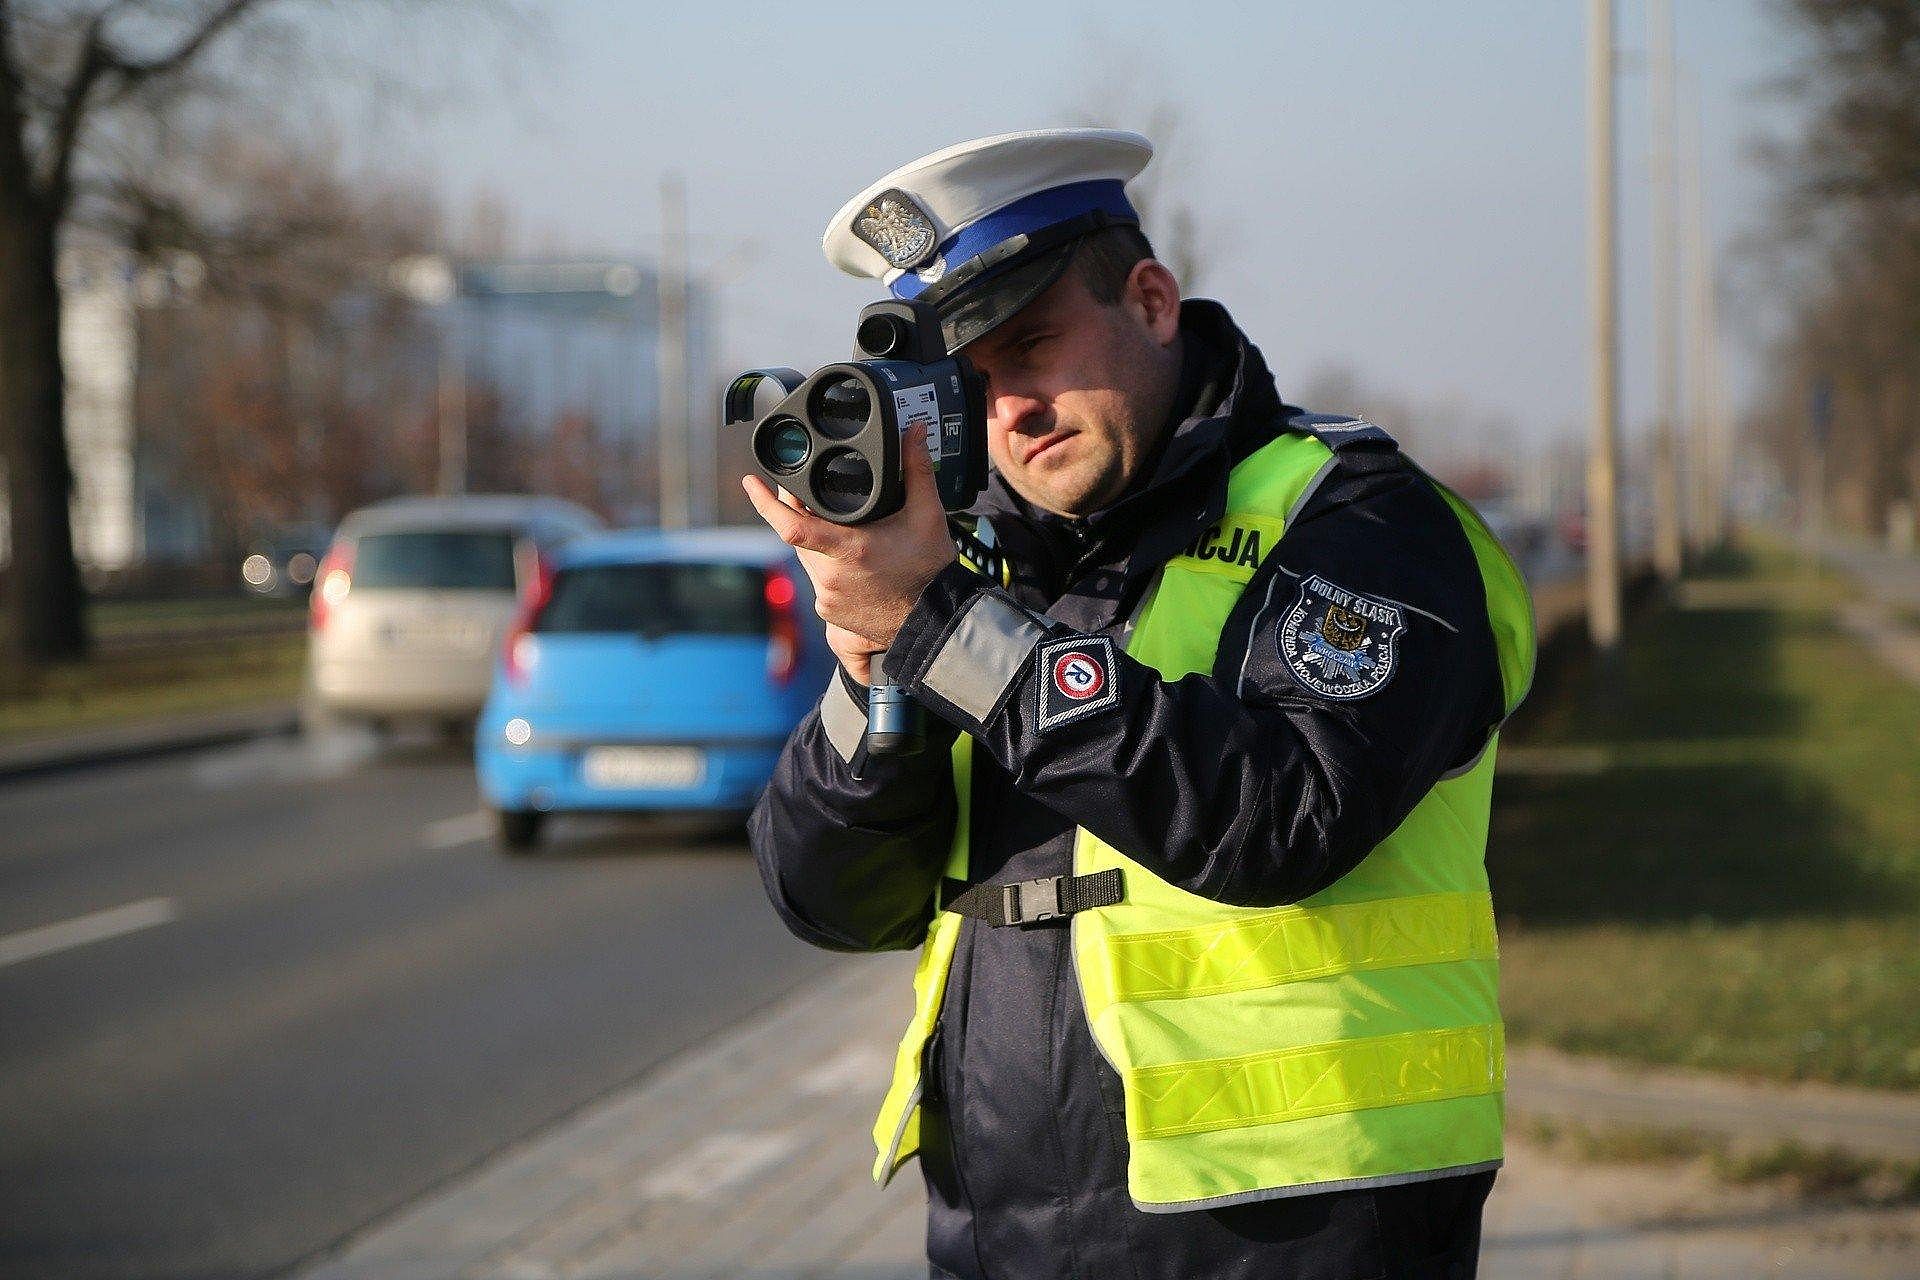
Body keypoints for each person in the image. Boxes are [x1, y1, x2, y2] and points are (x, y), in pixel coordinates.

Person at [743, 128, 1534, 1280]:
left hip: (1295, 1232)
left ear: (1154, 301)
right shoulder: (974, 572)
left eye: (1031, 345)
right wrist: (877, 664)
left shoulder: (1359, 517)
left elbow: (1277, 816)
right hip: (1004, 1236)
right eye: (969, 377)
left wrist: (941, 626)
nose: (1007, 404)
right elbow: (831, 899)